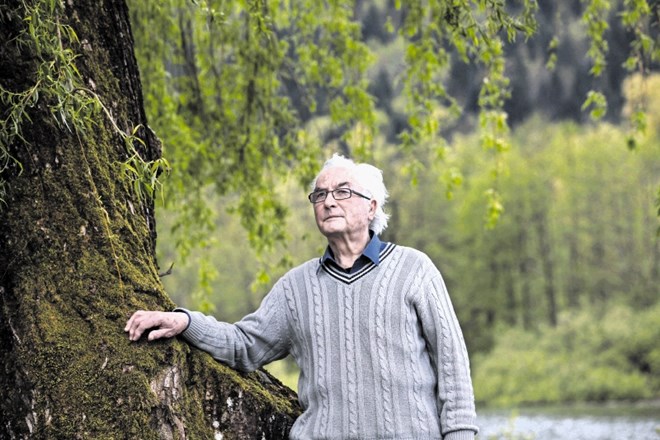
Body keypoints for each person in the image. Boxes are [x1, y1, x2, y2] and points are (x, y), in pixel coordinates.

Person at [125, 154, 478, 440]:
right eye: (320, 195)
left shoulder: (414, 269)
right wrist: (185, 321)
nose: (328, 202)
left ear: (371, 207)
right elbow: (245, 344)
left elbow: (453, 366)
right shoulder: (296, 287)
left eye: (342, 192)